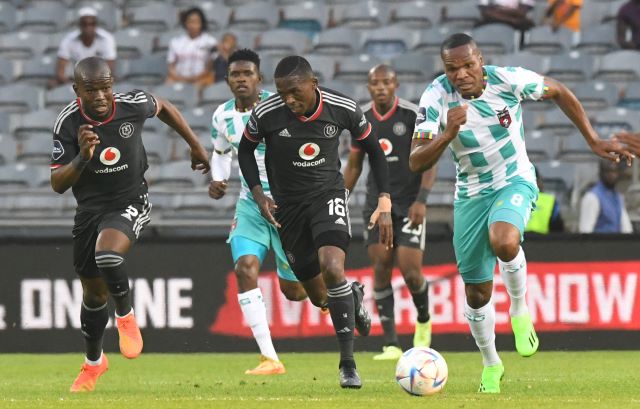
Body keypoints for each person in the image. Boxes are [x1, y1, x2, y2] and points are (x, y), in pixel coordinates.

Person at [409, 33, 633, 393]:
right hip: (470, 194)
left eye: (468, 65)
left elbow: (558, 89)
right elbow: (416, 159)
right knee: (477, 294)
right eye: (453, 68)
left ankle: (518, 308)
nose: (462, 74)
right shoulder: (436, 97)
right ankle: (491, 364)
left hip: (514, 179)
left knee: (504, 239)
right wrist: (447, 133)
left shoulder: (507, 80)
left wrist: (592, 139)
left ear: (480, 60)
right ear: (445, 70)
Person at [50, 57, 210, 392]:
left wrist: (194, 145)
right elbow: (58, 184)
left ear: (113, 84)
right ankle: (94, 364)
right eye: (91, 90)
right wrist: (82, 157)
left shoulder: (132, 105)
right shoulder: (68, 123)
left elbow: (163, 106)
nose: (100, 95)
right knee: (93, 296)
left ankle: (125, 316)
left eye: (106, 87)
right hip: (89, 211)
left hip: (130, 200)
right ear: (77, 89)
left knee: (108, 255)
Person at [238, 55, 393, 389]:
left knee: (333, 267)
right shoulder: (266, 113)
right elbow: (245, 152)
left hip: (327, 197)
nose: (289, 100)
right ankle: (350, 296)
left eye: (295, 92)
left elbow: (375, 152)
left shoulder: (343, 108)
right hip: (287, 209)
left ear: (313, 84)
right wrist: (258, 194)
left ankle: (348, 365)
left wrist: (384, 198)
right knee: (318, 296)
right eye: (282, 94)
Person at [209, 48, 319, 375]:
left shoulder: (280, 105)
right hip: (251, 205)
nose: (241, 80)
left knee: (296, 291)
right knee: (245, 268)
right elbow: (220, 152)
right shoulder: (222, 116)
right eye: (235, 75)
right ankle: (270, 357)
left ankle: (335, 293)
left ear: (259, 77)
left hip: (288, 206)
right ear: (228, 80)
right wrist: (218, 178)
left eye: (247, 74)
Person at [343, 64, 436, 361]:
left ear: (396, 84)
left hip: (409, 201)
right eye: (375, 83)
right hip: (376, 204)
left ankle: (423, 319)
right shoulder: (363, 118)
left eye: (386, 82)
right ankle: (392, 344)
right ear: (368, 87)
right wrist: (340, 197)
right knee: (381, 268)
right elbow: (355, 164)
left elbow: (429, 159)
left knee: (410, 271)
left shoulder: (411, 114)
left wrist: (422, 199)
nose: (381, 87)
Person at [49, 7, 116, 88]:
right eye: (85, 24)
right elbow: (60, 70)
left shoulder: (107, 39)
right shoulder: (68, 39)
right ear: (80, 25)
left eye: (92, 23)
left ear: (96, 24)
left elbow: (109, 68)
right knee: (52, 84)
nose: (88, 27)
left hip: (98, 79)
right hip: (74, 79)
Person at [166, 7, 217, 90]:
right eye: (190, 21)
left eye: (196, 22)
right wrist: (180, 78)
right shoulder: (175, 42)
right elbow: (171, 65)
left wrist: (194, 79)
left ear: (201, 23)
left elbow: (210, 67)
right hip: (178, 78)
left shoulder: (210, 42)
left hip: (202, 78)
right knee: (167, 87)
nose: (193, 25)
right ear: (185, 23)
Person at [579, 159, 633, 233]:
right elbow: (585, 232)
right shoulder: (592, 197)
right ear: (601, 173)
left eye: (615, 171)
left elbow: (626, 228)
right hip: (599, 243)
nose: (612, 175)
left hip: (615, 243)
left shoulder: (618, 197)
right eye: (608, 171)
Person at [525, 165, 564, 233]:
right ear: (537, 181)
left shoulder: (509, 201)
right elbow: (558, 231)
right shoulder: (550, 201)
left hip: (516, 242)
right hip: (543, 242)